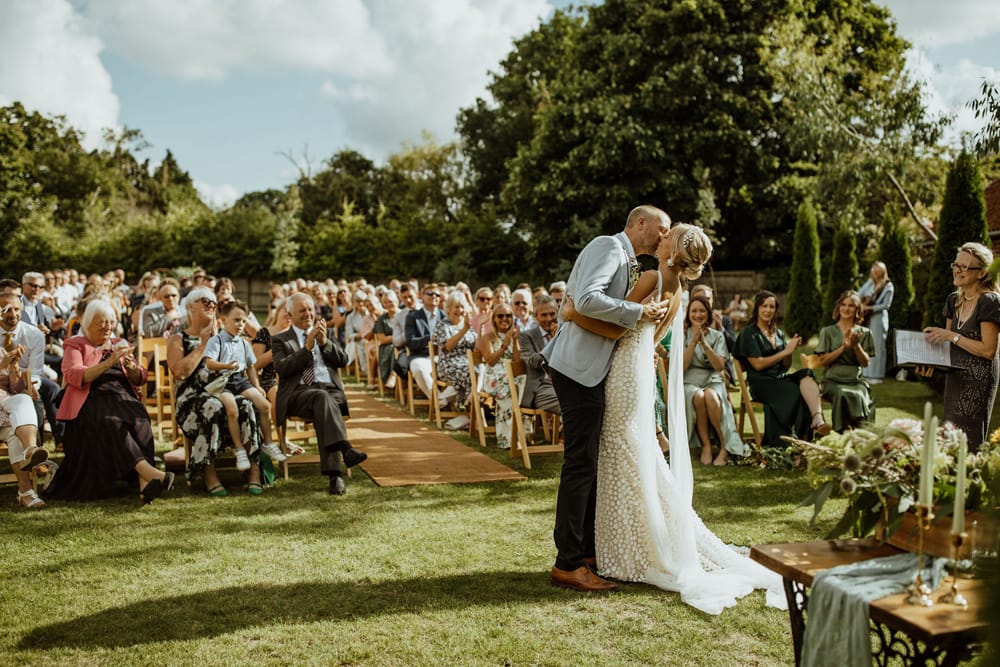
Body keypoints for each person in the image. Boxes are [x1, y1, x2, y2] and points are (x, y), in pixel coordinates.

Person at [560, 221, 786, 612]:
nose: (662, 233)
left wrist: (571, 314)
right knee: (630, 456)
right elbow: (653, 335)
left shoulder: (650, 277)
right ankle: (610, 547)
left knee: (619, 457)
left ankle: (613, 549)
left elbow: (616, 329)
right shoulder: (680, 291)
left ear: (671, 247)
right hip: (638, 375)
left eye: (670, 232)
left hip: (621, 376)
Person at [542, 204, 672, 592]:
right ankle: (568, 562)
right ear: (641, 223)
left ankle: (585, 553)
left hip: (592, 369)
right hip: (576, 367)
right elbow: (584, 301)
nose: (664, 237)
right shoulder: (608, 247)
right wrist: (639, 310)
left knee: (589, 463)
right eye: (661, 229)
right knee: (580, 463)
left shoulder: (629, 259)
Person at [47, 299, 175, 503]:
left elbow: (140, 377)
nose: (108, 327)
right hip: (90, 398)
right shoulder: (76, 345)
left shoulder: (119, 344)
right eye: (102, 322)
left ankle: (145, 484)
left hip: (121, 395)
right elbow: (74, 376)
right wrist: (110, 362)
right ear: (88, 323)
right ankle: (151, 474)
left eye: (111, 322)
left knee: (140, 420)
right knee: (111, 421)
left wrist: (132, 369)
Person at [167, 287, 266, 496]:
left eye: (214, 302)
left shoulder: (225, 337)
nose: (212, 305)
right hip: (192, 399)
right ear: (191, 307)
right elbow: (179, 373)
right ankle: (208, 472)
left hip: (225, 391)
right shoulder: (179, 339)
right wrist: (203, 345)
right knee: (213, 407)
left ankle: (254, 471)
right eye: (206, 301)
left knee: (248, 405)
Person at [272, 293, 368, 496]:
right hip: (298, 393)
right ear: (290, 314)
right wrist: (306, 348)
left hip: (330, 390)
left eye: (310, 310)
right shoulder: (280, 340)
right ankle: (343, 454)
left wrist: (324, 343)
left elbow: (343, 360)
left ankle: (336, 474)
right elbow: (282, 369)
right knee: (321, 400)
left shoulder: (328, 334)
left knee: (324, 403)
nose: (308, 314)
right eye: (302, 310)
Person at [922, 242, 1000, 450]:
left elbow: (988, 350)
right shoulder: (953, 300)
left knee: (969, 444)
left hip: (978, 382)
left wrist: (952, 336)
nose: (957, 269)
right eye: (956, 264)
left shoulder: (990, 302)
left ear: (982, 273)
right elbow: (946, 345)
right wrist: (931, 365)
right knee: (949, 438)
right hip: (954, 378)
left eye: (964, 267)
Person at [733, 291, 831, 446]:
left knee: (807, 373)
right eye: (764, 306)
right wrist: (785, 351)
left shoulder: (777, 333)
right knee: (796, 392)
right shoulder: (749, 333)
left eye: (772, 306)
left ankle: (817, 419)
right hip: (761, 384)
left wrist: (789, 352)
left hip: (779, 379)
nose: (768, 310)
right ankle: (799, 440)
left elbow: (785, 366)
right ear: (757, 308)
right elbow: (758, 365)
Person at [203, 300, 287, 465]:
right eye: (236, 320)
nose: (240, 324)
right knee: (232, 409)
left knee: (264, 405)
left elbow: (250, 367)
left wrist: (256, 386)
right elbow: (209, 363)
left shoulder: (243, 343)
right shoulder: (216, 341)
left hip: (239, 380)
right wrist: (225, 365)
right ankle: (240, 449)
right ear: (223, 319)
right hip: (221, 381)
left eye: (243, 321)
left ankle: (268, 443)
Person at [681, 294, 745, 466]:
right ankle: (706, 446)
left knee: (711, 396)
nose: (698, 315)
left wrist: (705, 344)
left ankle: (725, 446)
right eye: (694, 311)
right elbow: (682, 367)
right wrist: (693, 342)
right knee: (698, 397)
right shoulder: (682, 335)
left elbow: (719, 366)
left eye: (702, 311)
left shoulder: (717, 336)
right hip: (690, 379)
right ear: (688, 314)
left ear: (708, 314)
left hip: (713, 378)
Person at [814, 291, 875, 431]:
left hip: (856, 381)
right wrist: (843, 348)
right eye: (843, 305)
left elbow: (865, 363)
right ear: (838, 307)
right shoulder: (827, 331)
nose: (846, 309)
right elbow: (823, 361)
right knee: (842, 393)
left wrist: (856, 346)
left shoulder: (865, 333)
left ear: (857, 310)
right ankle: (841, 432)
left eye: (851, 306)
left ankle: (860, 432)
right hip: (832, 380)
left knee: (859, 395)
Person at [1, 344, 47, 508]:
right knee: (15, 423)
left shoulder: (1, 351)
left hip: (5, 410)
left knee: (24, 400)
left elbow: (13, 388)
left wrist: (14, 369)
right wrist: (2, 366)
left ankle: (30, 450)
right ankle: (26, 493)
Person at [477, 302, 521, 448]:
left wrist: (514, 341)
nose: (504, 319)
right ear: (494, 319)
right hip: (494, 378)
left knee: (521, 383)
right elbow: (490, 360)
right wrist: (505, 344)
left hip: (510, 376)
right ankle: (510, 439)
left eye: (508, 315)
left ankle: (516, 436)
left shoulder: (515, 335)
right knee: (512, 391)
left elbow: (517, 360)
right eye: (500, 316)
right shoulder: (487, 337)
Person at [432, 292, 477, 410]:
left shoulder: (469, 325)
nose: (460, 310)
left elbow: (477, 346)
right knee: (472, 373)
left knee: (481, 371)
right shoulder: (442, 325)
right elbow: (449, 346)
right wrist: (464, 330)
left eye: (462, 307)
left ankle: (469, 404)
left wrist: (481, 327)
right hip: (449, 364)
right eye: (456, 307)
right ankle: (470, 407)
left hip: (468, 362)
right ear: (448, 308)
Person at [518, 295, 561, 415]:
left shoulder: (565, 332)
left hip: (565, 383)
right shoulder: (526, 336)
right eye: (544, 315)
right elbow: (532, 362)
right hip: (540, 387)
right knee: (568, 400)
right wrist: (555, 341)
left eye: (552, 314)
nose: (549, 319)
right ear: (536, 317)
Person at [857, 262, 894, 383]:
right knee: (866, 345)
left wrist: (869, 308)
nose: (875, 271)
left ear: (883, 271)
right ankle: (866, 374)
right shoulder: (869, 283)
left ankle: (877, 376)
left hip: (878, 319)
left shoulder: (888, 286)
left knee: (877, 346)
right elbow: (858, 294)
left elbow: (885, 305)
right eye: (874, 269)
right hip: (867, 318)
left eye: (878, 269)